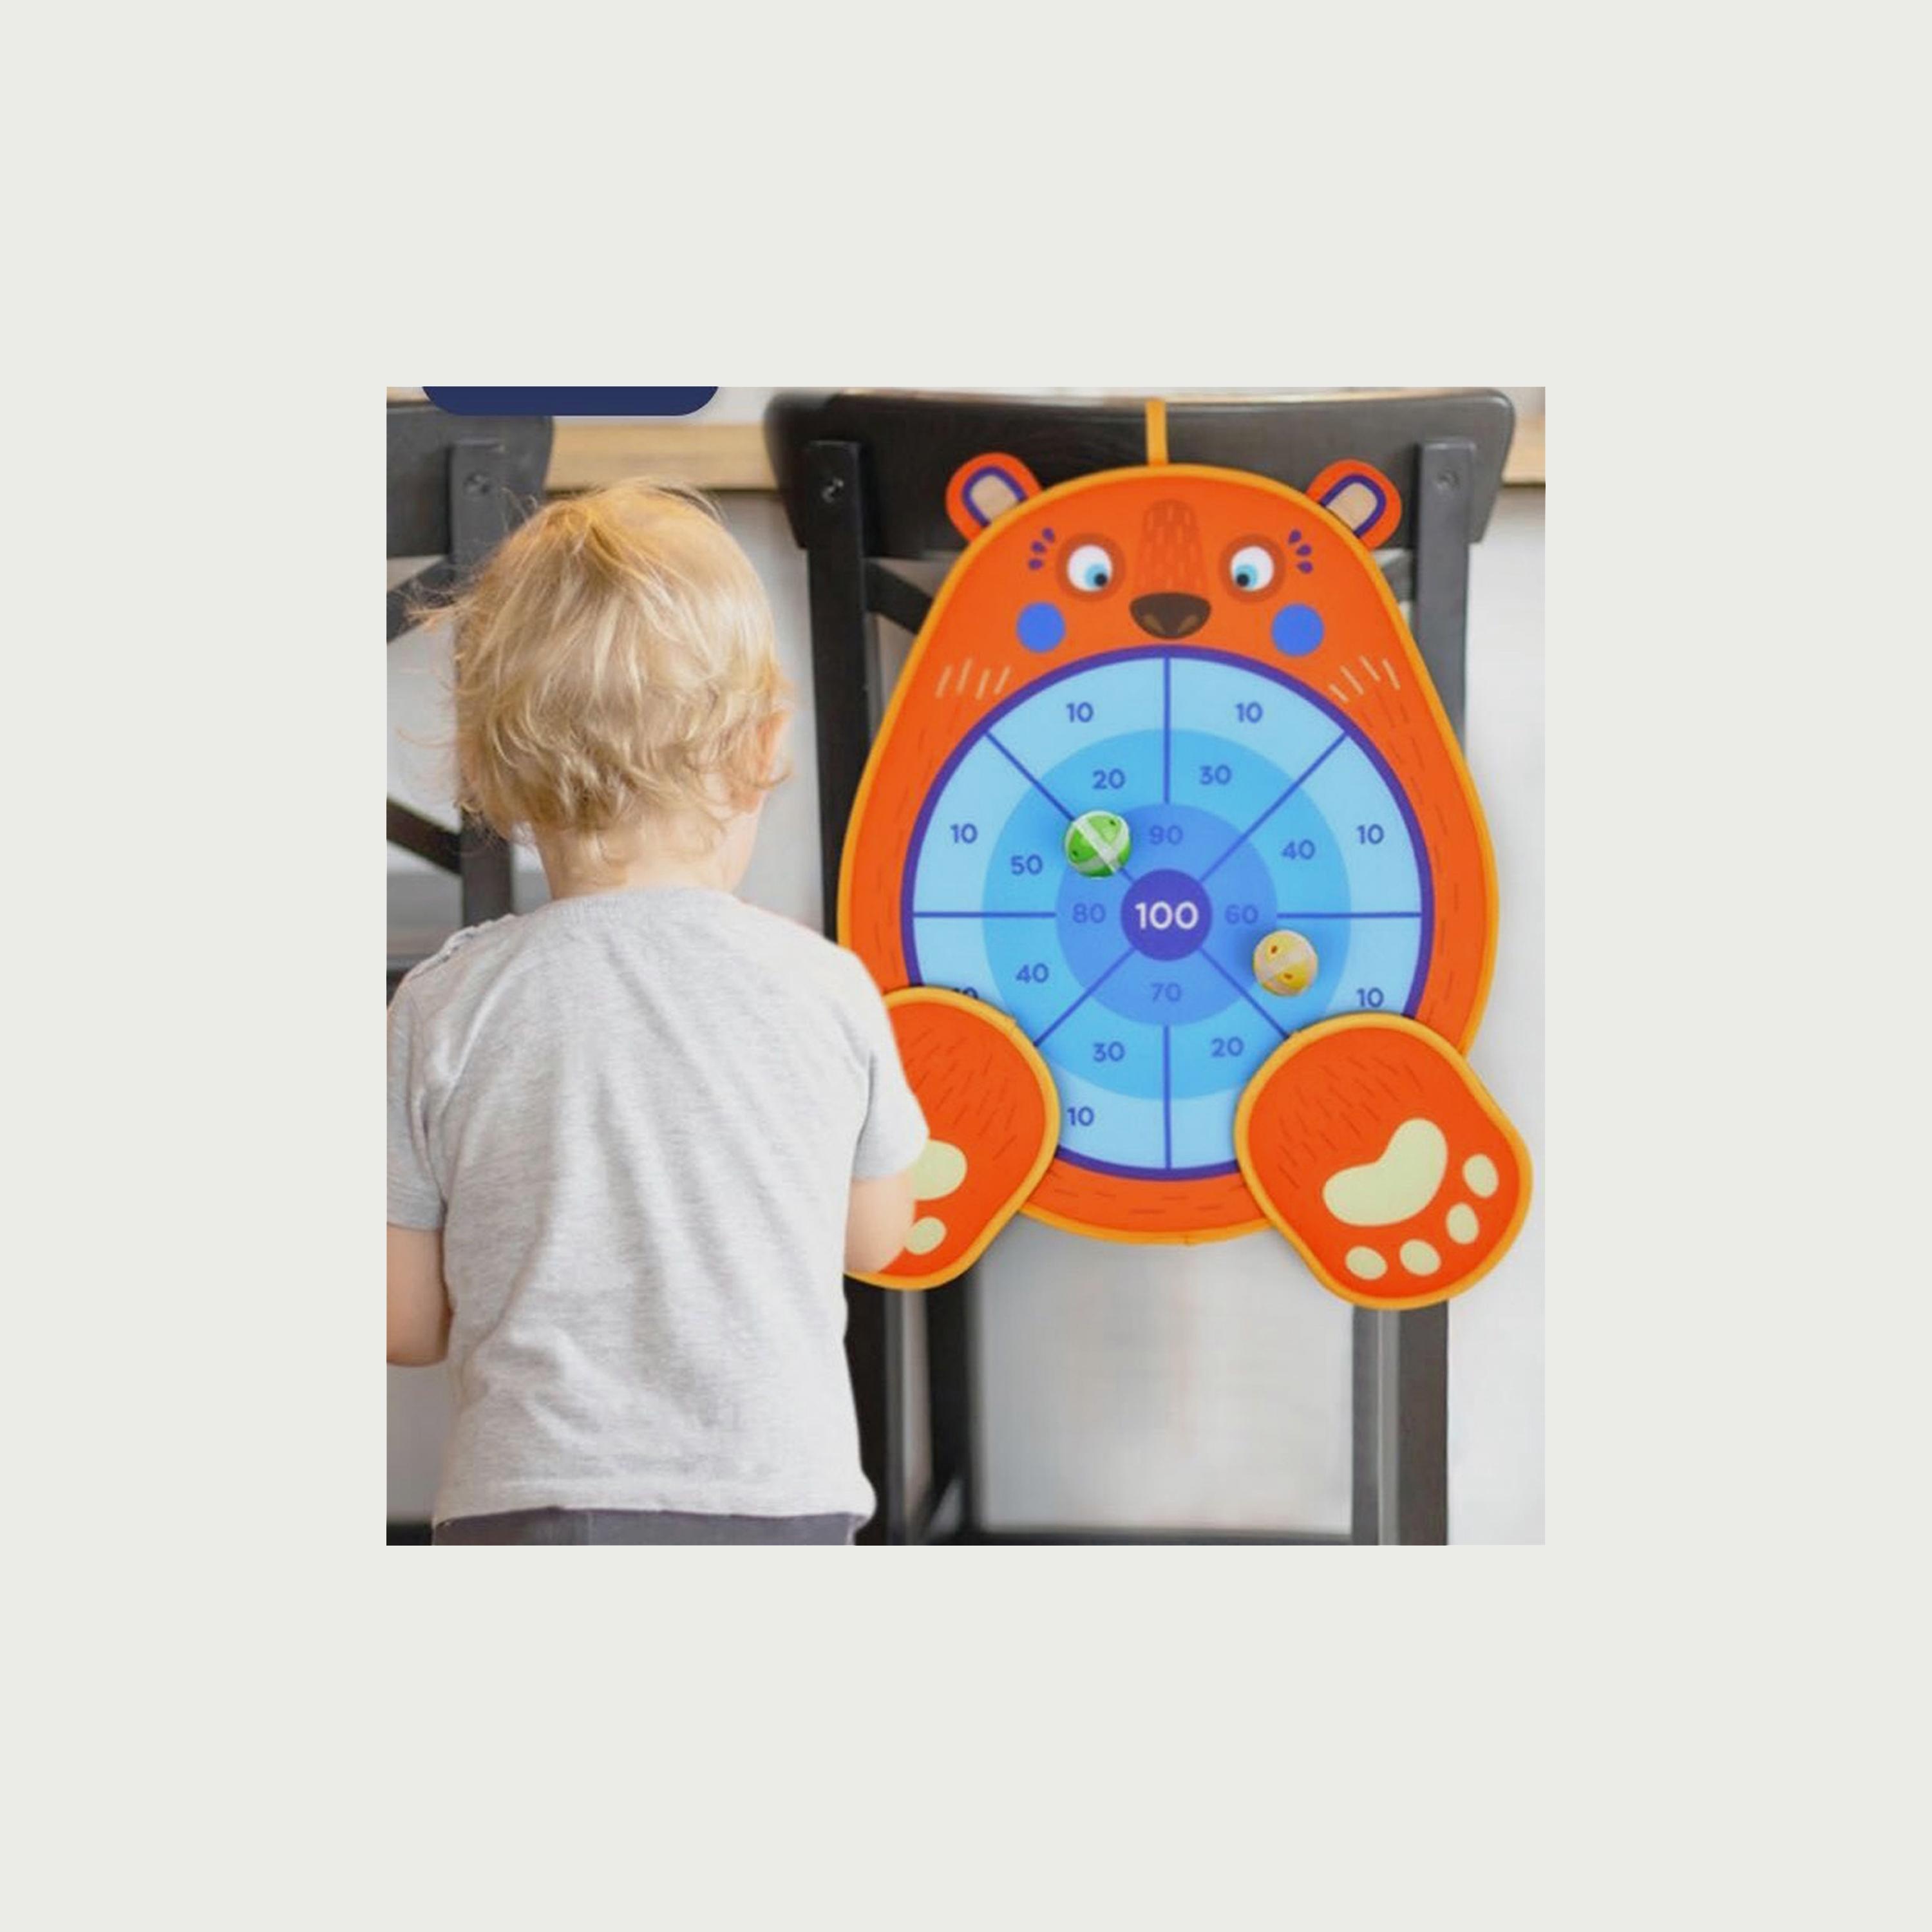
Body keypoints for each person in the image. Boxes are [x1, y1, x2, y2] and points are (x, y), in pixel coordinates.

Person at [387, 481, 927, 1544]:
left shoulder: (443, 1003)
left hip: (532, 1507)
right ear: (765, 745)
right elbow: (874, 1240)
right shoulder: (827, 987)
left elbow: (404, 1323)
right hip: (781, 1499)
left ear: (488, 766)